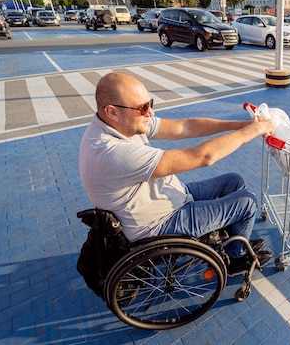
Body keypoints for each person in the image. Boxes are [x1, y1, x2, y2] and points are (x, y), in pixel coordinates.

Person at [79, 72, 274, 275]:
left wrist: (242, 125)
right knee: (247, 203)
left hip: (165, 197)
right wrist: (254, 130)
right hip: (160, 223)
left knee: (234, 182)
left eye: (150, 103)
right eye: (143, 107)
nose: (151, 113)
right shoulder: (112, 152)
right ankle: (234, 260)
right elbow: (203, 156)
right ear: (112, 112)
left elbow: (186, 126)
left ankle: (233, 241)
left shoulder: (122, 124)